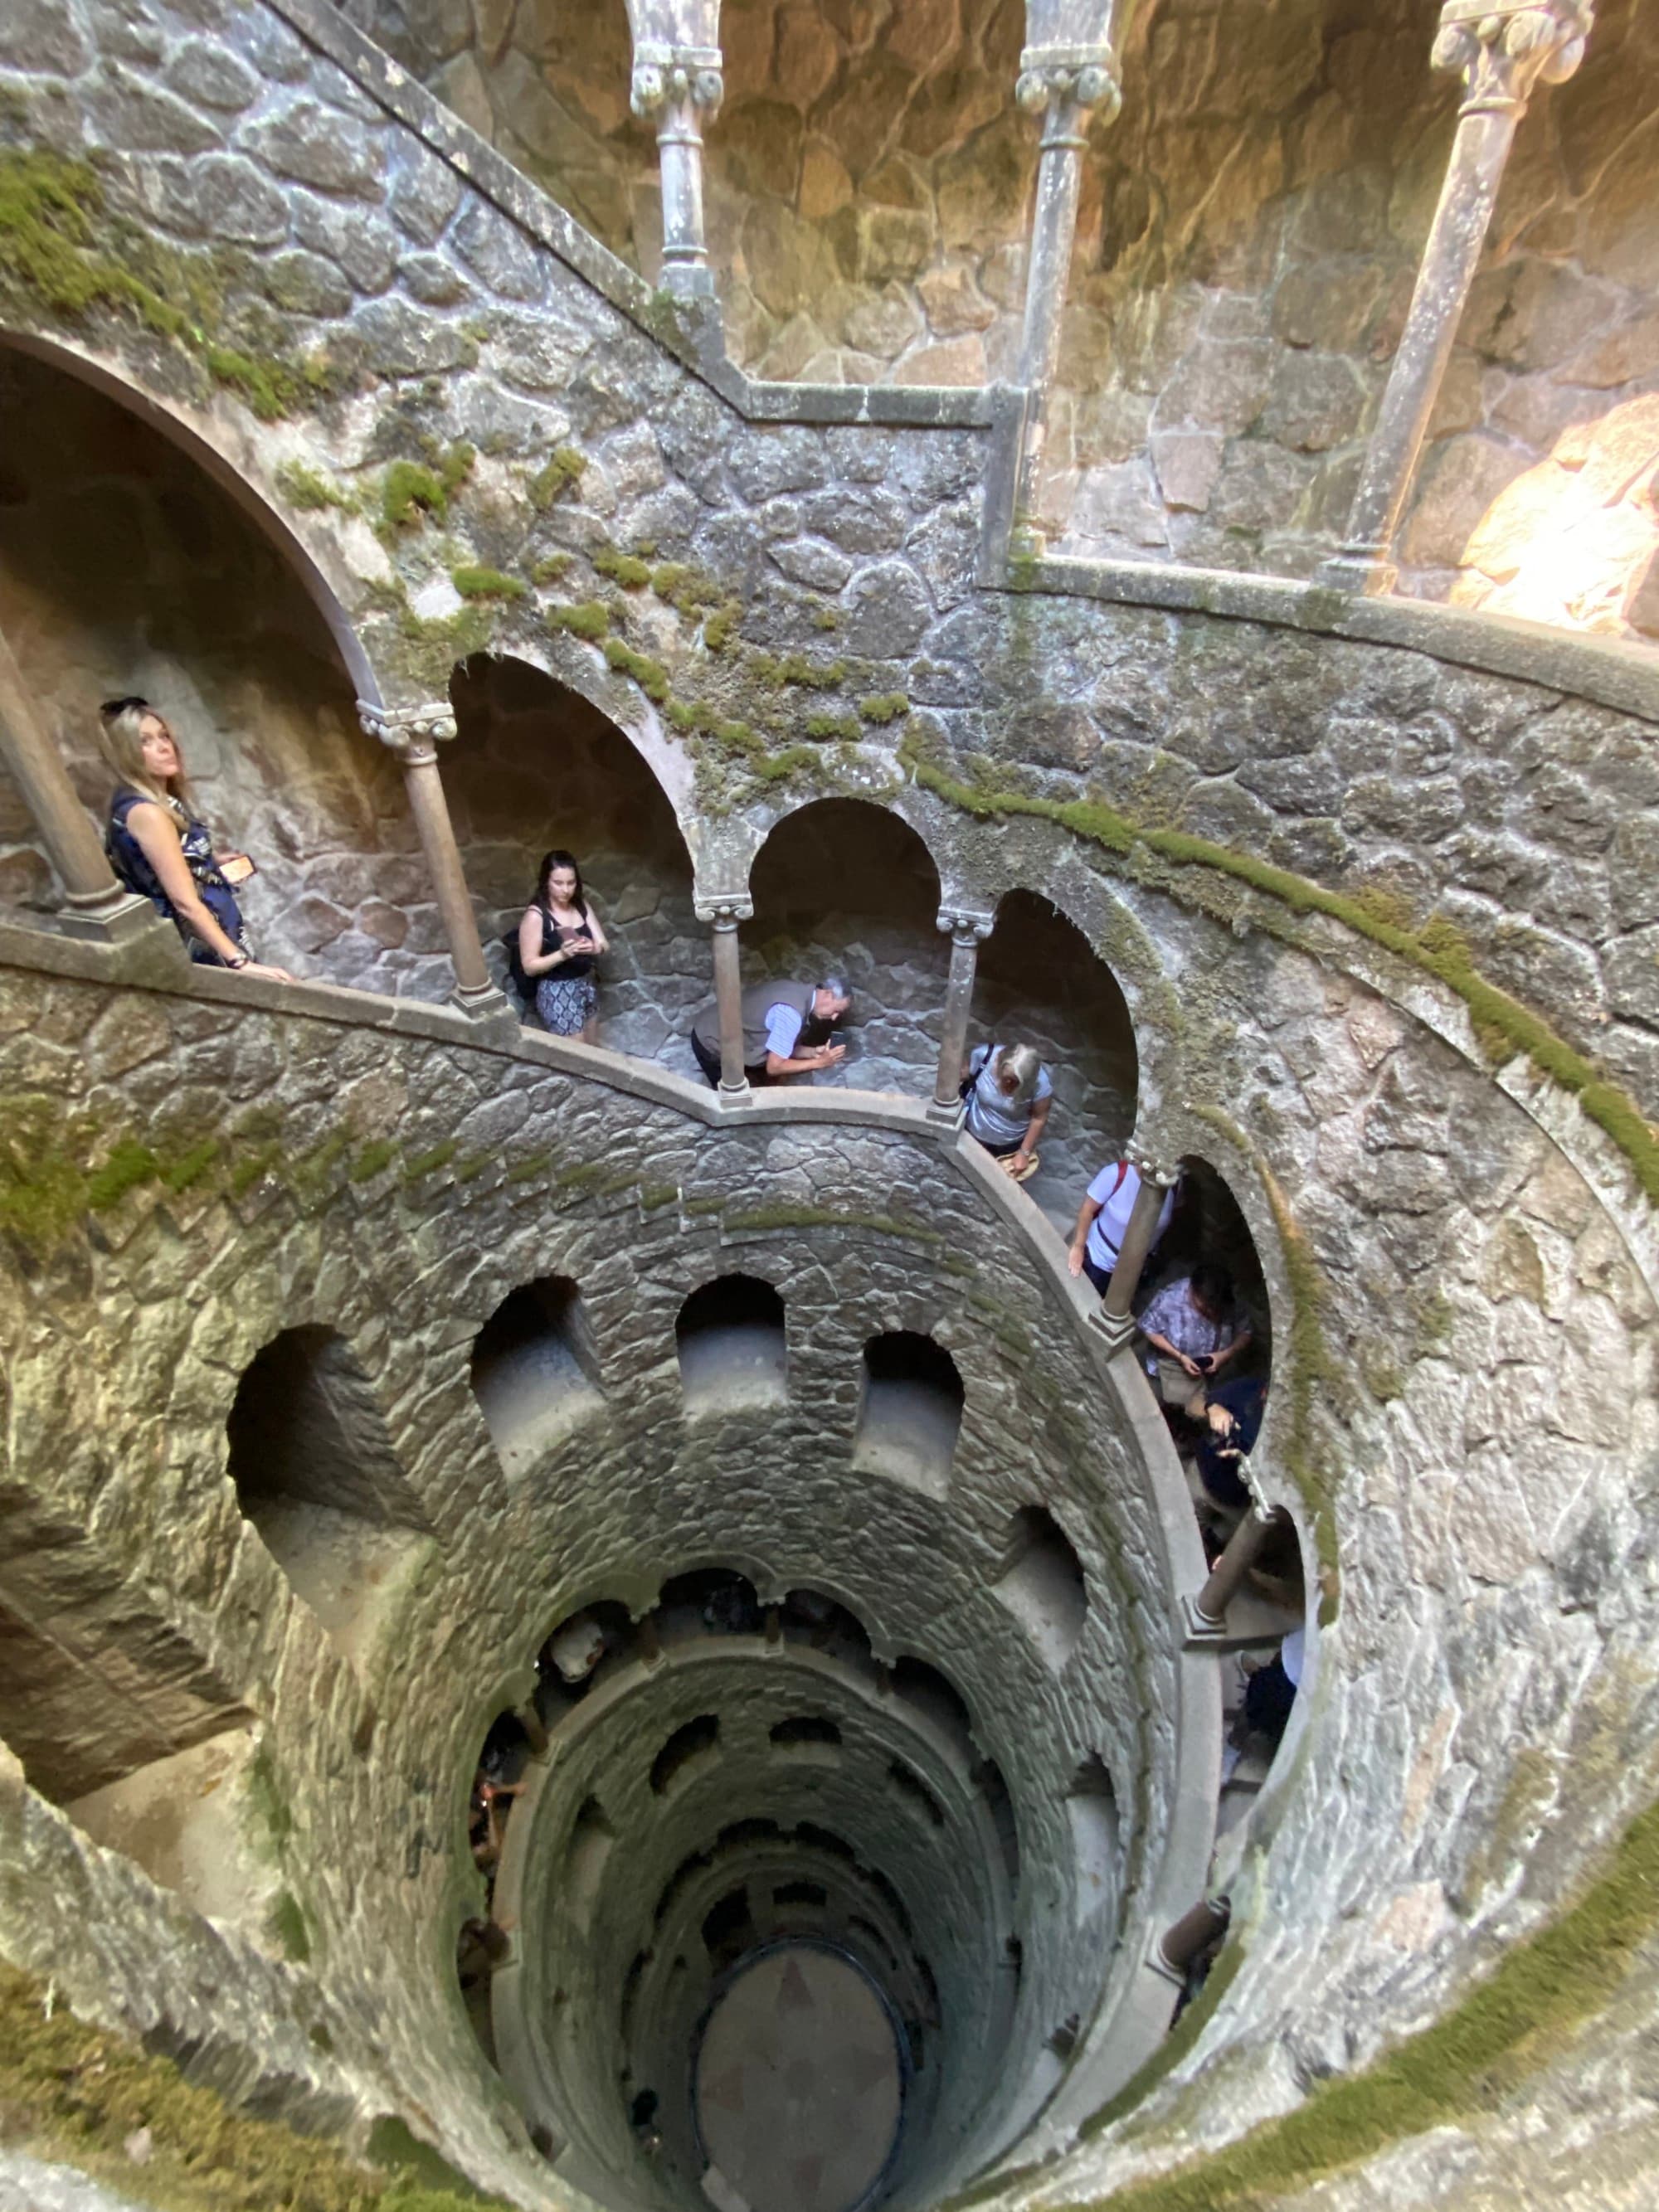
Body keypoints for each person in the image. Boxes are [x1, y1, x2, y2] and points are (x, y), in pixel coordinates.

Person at [97, 697, 290, 978]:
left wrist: (210, 862)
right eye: (145, 742)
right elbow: (184, 903)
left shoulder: (153, 801)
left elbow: (160, 865)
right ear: (126, 753)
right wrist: (240, 963)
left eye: (164, 736)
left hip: (214, 932)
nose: (164, 747)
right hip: (202, 949)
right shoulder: (148, 813)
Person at [688, 977, 850, 1088]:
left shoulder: (799, 992)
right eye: (836, 1010)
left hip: (725, 1035)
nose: (834, 1017)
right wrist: (820, 1063)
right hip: (712, 1041)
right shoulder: (791, 1013)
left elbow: (780, 1046)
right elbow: (774, 1067)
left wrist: (813, 1053)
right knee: (735, 1103)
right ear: (828, 994)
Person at [1138, 1264, 1252, 1418]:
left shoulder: (1231, 1300)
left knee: (1198, 1406)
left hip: (1209, 1370)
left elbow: (1246, 1332)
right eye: (1205, 1308)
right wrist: (1180, 1356)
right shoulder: (1171, 1298)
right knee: (1164, 1400)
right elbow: (1149, 1328)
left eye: (1214, 1309)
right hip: (1173, 1366)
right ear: (1192, 1290)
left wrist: (1224, 1355)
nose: (1211, 1313)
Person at [518, 848, 607, 1043]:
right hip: (557, 992)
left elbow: (603, 944)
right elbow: (529, 966)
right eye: (558, 883)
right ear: (546, 882)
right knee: (578, 1056)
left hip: (586, 984)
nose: (566, 890)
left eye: (571, 882)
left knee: (595, 1051)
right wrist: (563, 954)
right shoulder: (536, 915)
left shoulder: (581, 905)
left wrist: (590, 947)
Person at [1068, 1159, 1175, 1296]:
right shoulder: (1115, 1175)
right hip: (1100, 1261)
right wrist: (1078, 1247)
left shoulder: (1173, 1183)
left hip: (1136, 1269)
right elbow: (1087, 1210)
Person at [961, 1042, 1052, 1182]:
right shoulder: (983, 1056)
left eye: (1015, 1082)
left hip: (1007, 1150)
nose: (1008, 1084)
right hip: (972, 1136)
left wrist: (1024, 1153)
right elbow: (961, 1077)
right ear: (998, 1063)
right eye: (1005, 1078)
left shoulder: (1040, 1083)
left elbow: (1039, 1118)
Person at [1193, 1373, 1267, 1513]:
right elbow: (1193, 1405)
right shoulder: (1249, 1387)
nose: (1263, 1397)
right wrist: (1214, 1409)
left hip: (1236, 1504)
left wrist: (1241, 1456)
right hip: (1200, 1474)